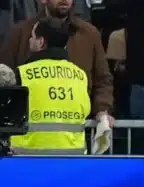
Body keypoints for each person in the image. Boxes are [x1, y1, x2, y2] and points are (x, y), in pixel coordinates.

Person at [9, 18, 90, 155]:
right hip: (72, 159)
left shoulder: (23, 74)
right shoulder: (80, 75)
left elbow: (9, 114)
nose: (29, 40)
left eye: (32, 37)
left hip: (28, 160)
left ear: (41, 42)